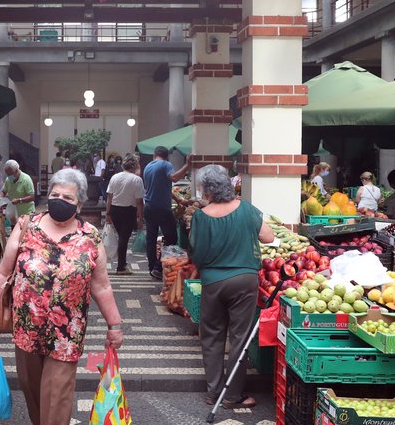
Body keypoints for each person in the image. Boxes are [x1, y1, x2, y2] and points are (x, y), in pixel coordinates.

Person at [0, 169, 123, 425]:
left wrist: (115, 324)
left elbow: (101, 285)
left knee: (57, 395)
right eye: (55, 195)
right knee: (31, 385)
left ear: (80, 203)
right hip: (26, 325)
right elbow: (3, 273)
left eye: (68, 198)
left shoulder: (90, 238)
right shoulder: (26, 225)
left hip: (66, 331)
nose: (60, 201)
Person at [189, 165, 275, 408]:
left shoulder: (201, 216)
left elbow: (196, 251)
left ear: (206, 189)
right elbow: (268, 237)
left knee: (212, 337)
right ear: (228, 185)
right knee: (240, 337)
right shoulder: (246, 209)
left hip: (213, 282)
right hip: (244, 280)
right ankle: (232, 395)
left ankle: (213, 391)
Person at [143, 147, 191, 280]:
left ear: (155, 155)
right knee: (171, 237)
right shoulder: (166, 164)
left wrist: (177, 200)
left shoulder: (148, 167)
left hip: (148, 206)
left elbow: (163, 187)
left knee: (151, 239)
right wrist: (187, 165)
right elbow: (174, 178)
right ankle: (158, 267)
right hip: (162, 208)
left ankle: (152, 267)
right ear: (167, 157)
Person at [105, 155, 145, 274]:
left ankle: (122, 264)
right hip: (129, 211)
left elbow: (109, 197)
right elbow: (139, 202)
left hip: (115, 210)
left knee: (121, 236)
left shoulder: (115, 177)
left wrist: (108, 213)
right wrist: (141, 218)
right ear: (135, 166)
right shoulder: (137, 180)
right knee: (124, 238)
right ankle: (121, 267)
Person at [0, 159, 35, 224]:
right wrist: (0, 199)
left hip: (26, 213)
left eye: (10, 174)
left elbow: (32, 197)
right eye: (7, 174)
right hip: (14, 213)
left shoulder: (26, 179)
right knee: (14, 230)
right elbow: (4, 191)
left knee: (25, 231)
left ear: (16, 171)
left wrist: (19, 200)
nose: (9, 176)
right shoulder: (8, 180)